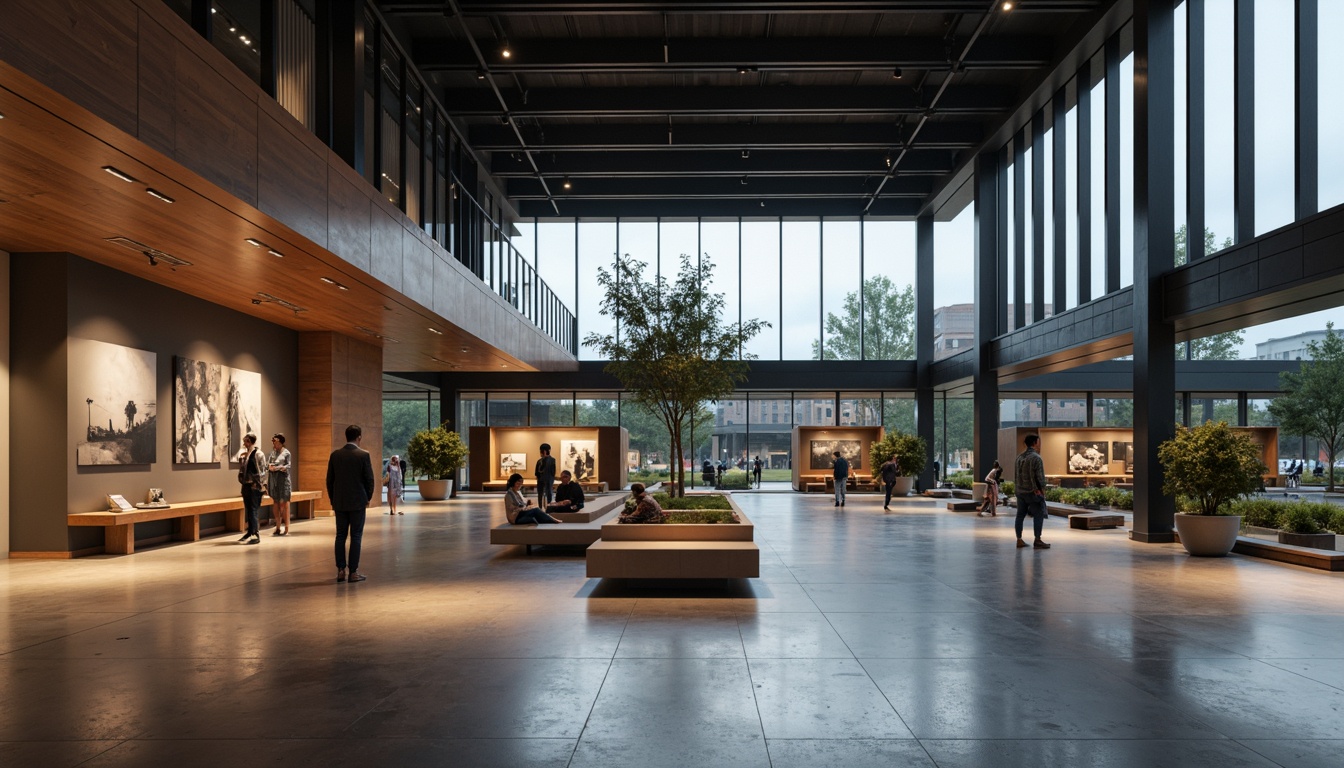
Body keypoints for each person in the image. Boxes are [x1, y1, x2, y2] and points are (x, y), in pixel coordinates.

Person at [327, 424, 375, 583]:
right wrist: (367, 497)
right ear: (359, 437)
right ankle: (353, 572)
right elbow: (369, 480)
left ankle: (340, 570)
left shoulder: (335, 455)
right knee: (356, 536)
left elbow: (329, 480)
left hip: (339, 502)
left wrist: (333, 499)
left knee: (340, 536)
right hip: (358, 502)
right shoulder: (363, 455)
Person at [1014, 435, 1050, 549]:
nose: (1039, 444)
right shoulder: (1036, 458)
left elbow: (1016, 476)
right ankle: (1037, 539)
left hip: (1020, 491)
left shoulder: (1019, 457)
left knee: (1020, 515)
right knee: (1038, 514)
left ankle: (1019, 539)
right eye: (1038, 442)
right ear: (1035, 443)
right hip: (1032, 492)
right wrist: (1042, 490)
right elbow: (1040, 477)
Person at [236, 433, 264, 545]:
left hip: (254, 486)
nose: (244, 444)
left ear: (250, 441)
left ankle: (255, 533)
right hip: (246, 486)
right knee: (248, 509)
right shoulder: (246, 454)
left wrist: (261, 485)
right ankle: (250, 531)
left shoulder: (258, 454)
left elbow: (262, 471)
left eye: (246, 441)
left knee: (253, 510)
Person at [266, 433, 292, 535]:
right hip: (274, 479)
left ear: (280, 442)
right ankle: (277, 526)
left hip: (283, 479)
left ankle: (286, 526)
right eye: (273, 441)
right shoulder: (273, 453)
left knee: (284, 502)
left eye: (275, 441)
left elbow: (288, 466)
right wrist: (270, 467)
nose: (273, 443)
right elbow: (268, 463)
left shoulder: (286, 453)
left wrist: (278, 468)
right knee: (276, 501)